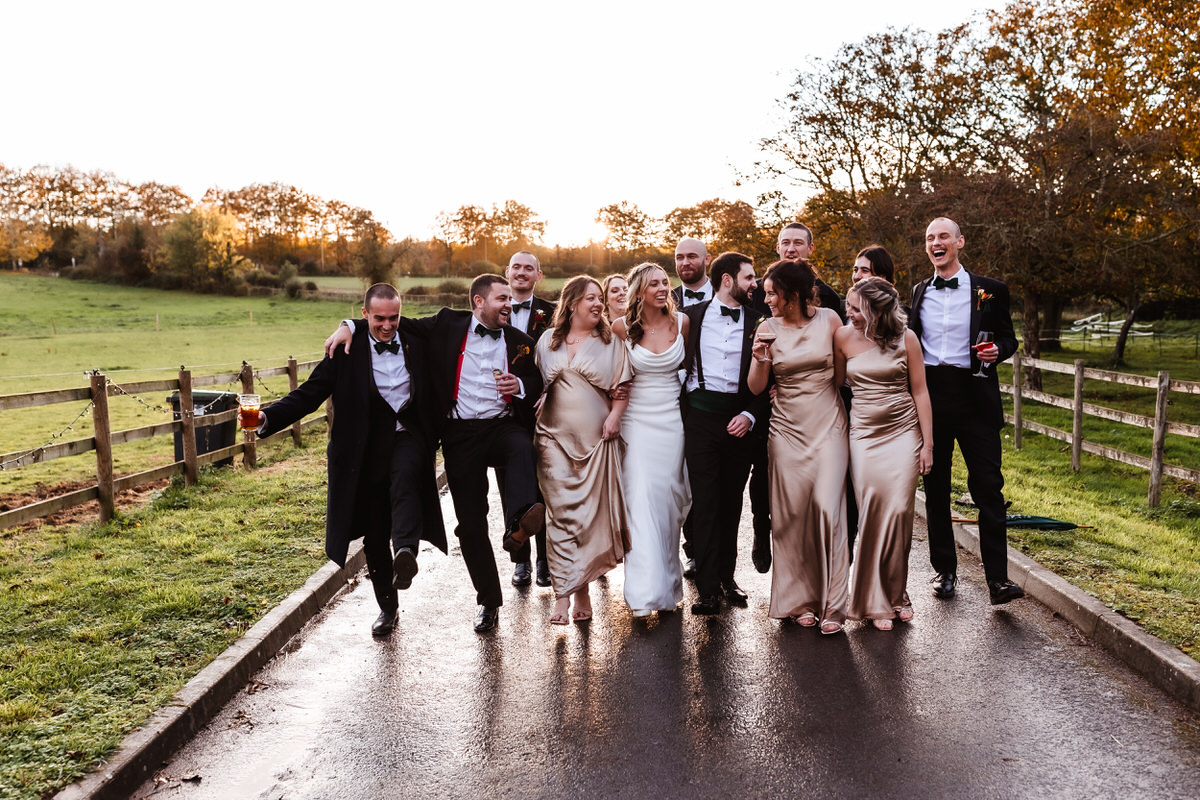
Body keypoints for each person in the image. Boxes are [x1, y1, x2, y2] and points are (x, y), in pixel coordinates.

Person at [325, 275, 545, 632]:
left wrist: (519, 384)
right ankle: (488, 602)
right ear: (478, 301)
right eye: (502, 298)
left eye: (510, 299)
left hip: (501, 425)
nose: (509, 304)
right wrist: (349, 324)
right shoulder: (447, 324)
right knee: (471, 526)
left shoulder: (521, 342)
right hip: (460, 434)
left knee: (522, 447)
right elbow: (394, 322)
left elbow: (537, 380)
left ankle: (518, 525)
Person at [257, 283, 446, 636]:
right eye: (379, 319)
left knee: (407, 475)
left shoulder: (414, 339)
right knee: (374, 536)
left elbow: (450, 325)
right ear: (364, 315)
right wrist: (267, 418)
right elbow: (309, 394)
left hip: (407, 434)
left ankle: (406, 552)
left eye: (394, 317)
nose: (388, 326)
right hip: (363, 449)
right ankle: (387, 609)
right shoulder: (345, 349)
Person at [910, 217, 1024, 605]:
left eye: (943, 236)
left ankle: (998, 580)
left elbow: (1009, 338)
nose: (936, 242)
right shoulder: (919, 291)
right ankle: (945, 571)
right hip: (931, 398)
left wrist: (999, 352)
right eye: (929, 238)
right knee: (936, 488)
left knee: (988, 489)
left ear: (960, 241)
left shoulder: (991, 291)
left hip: (976, 398)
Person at [749, 260, 849, 634]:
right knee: (791, 516)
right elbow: (757, 387)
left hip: (828, 426)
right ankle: (798, 601)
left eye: (772, 293)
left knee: (829, 509)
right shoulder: (767, 328)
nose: (767, 298)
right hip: (786, 430)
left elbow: (840, 377)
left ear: (792, 294)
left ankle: (834, 604)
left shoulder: (830, 321)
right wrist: (761, 361)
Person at [833, 278, 933, 630]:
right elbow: (833, 384)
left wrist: (928, 444)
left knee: (900, 512)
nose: (849, 313)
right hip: (864, 436)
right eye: (848, 305)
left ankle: (897, 594)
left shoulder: (907, 339)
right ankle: (874, 601)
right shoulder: (843, 337)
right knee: (873, 511)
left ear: (876, 310)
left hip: (904, 432)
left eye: (855, 307)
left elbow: (920, 392)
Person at [534, 276, 632, 624]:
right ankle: (562, 595)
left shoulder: (610, 341)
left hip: (596, 442)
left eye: (600, 299)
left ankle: (583, 587)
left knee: (588, 518)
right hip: (552, 440)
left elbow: (623, 387)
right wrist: (546, 392)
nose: (597, 304)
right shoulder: (548, 341)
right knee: (559, 516)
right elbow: (543, 383)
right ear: (572, 302)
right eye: (590, 298)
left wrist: (615, 418)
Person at [681, 252, 768, 615]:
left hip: (740, 420)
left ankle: (727, 578)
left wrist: (750, 413)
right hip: (699, 419)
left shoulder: (760, 321)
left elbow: (773, 379)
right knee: (704, 501)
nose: (755, 284)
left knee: (732, 501)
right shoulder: (691, 319)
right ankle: (707, 586)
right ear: (728, 280)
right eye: (749, 277)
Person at [612, 262, 692, 617]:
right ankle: (646, 593)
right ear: (639, 291)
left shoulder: (683, 323)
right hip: (637, 422)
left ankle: (670, 585)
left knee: (669, 506)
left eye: (665, 282)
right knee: (641, 500)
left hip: (672, 421)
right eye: (654, 284)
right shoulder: (620, 328)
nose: (663, 288)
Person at [504, 251, 556, 589]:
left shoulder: (552, 313)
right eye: (516, 267)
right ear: (506, 272)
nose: (522, 272)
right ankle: (519, 558)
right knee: (511, 488)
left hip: (545, 410)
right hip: (504, 416)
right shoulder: (491, 306)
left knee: (546, 487)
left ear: (538, 275)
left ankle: (545, 560)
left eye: (529, 268)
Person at [670, 237, 713, 308]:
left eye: (692, 256)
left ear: (706, 259)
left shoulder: (727, 295)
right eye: (680, 258)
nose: (685, 263)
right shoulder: (667, 300)